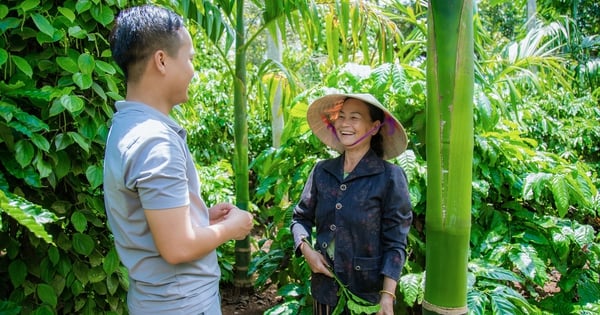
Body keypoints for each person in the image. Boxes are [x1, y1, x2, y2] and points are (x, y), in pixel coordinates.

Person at [103, 5, 253, 315]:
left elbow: (152, 225)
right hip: (182, 305)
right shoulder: (155, 141)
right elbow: (177, 247)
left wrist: (201, 218)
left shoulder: (127, 125)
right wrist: (233, 228)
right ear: (161, 60)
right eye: (189, 59)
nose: (193, 70)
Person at [290, 93, 413, 315]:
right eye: (341, 116)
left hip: (367, 295)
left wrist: (387, 296)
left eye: (355, 118)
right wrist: (306, 250)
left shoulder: (390, 177)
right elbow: (300, 218)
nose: (345, 124)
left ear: (374, 127)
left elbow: (396, 242)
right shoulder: (322, 171)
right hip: (325, 289)